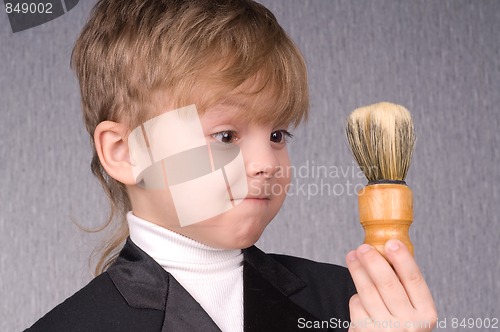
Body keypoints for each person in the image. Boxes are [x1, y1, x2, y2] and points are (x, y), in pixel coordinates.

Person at [26, 0, 437, 331]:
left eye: (277, 135)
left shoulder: (347, 302)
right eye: (225, 136)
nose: (264, 164)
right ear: (125, 152)